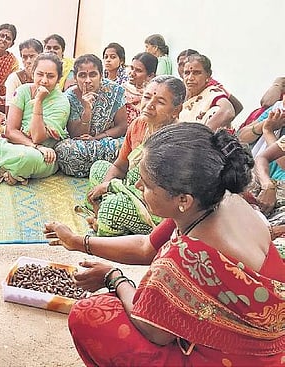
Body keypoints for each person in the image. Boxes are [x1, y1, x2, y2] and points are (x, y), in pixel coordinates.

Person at [44, 123, 285, 366]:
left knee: (90, 315)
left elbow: (154, 331)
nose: (138, 187)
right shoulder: (217, 199)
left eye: (147, 185)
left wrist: (115, 279)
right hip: (268, 342)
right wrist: (77, 242)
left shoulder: (185, 256)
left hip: (238, 358)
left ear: (183, 199)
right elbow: (146, 247)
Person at [86, 75, 186, 236]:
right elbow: (120, 165)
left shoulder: (177, 139)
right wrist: (103, 191)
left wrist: (110, 188)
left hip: (157, 206)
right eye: (146, 97)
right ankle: (107, 216)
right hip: (132, 188)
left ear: (176, 110)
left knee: (113, 207)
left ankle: (108, 224)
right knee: (99, 168)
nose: (149, 105)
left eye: (160, 102)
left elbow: (161, 194)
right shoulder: (139, 124)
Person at [0, 53, 70, 185]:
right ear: (33, 73)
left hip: (43, 155)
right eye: (40, 74)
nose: (44, 80)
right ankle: (9, 171)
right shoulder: (23, 91)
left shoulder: (62, 102)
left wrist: (38, 102)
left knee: (27, 158)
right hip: (15, 145)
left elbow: (37, 137)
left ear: (58, 79)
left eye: (50, 76)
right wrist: (35, 146)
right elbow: (10, 131)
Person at [54, 54, 127, 178]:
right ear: (75, 79)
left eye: (93, 74)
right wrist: (87, 110)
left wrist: (97, 138)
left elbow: (122, 126)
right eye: (82, 75)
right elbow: (76, 136)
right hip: (80, 145)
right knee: (64, 151)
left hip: (105, 141)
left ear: (101, 76)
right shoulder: (69, 96)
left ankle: (102, 167)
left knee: (126, 146)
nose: (88, 80)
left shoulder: (115, 91)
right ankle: (110, 168)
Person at [177, 48, 243, 117]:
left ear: (207, 75)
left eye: (196, 72)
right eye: (180, 64)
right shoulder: (182, 86)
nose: (182, 67)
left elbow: (231, 109)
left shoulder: (212, 89)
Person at [179, 54, 235, 131]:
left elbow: (228, 111)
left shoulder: (212, 93)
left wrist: (202, 133)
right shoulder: (181, 95)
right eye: (187, 73)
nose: (190, 78)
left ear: (208, 76)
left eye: (196, 73)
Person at [4, 38, 43, 115]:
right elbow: (9, 108)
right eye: (24, 57)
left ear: (40, 56)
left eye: (32, 56)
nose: (28, 61)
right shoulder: (14, 78)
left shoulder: (46, 77)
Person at [124, 52, 157, 125]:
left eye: (138, 70)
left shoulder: (154, 97)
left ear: (150, 75)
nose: (132, 73)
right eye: (132, 68)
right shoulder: (122, 90)